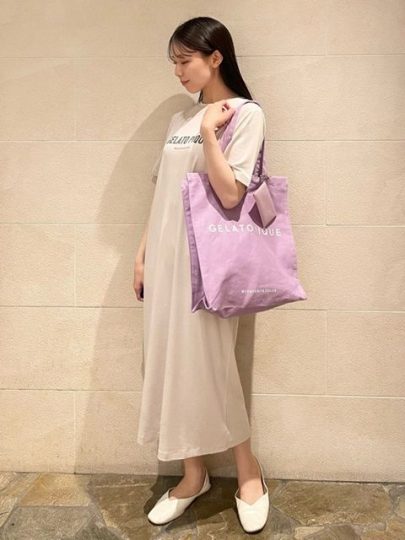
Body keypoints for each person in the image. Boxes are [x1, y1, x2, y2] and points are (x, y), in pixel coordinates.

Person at [133, 16, 270, 533]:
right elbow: (163, 195)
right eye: (173, 62)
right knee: (170, 363)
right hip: (164, 261)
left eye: (185, 60)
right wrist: (142, 255)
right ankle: (193, 476)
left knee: (212, 366)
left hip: (207, 265)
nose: (178, 71)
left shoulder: (246, 115)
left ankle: (248, 473)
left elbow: (232, 194)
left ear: (216, 57)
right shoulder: (178, 119)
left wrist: (212, 132)